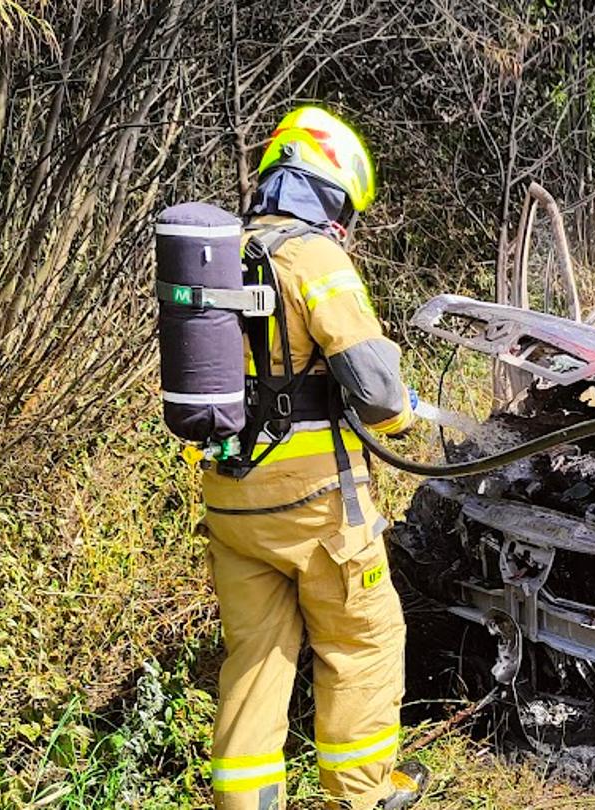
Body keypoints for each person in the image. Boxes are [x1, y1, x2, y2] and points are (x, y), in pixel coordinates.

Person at [198, 106, 428, 810]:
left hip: (230, 500)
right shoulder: (313, 258)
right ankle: (360, 797)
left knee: (257, 661)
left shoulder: (223, 252)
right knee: (363, 642)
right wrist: (405, 411)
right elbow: (381, 393)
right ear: (328, 188)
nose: (346, 224)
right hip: (316, 507)